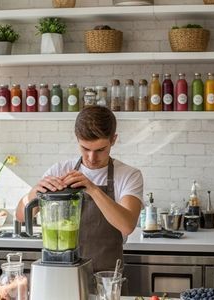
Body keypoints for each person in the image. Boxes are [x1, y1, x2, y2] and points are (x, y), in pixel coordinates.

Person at [16, 106, 144, 272]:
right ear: (77, 139)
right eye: (85, 148)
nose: (92, 157)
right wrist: (35, 192)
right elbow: (21, 217)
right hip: (62, 273)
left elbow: (127, 226)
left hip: (106, 277)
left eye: (100, 150)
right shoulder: (60, 171)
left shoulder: (129, 175)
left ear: (113, 140)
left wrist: (92, 189)